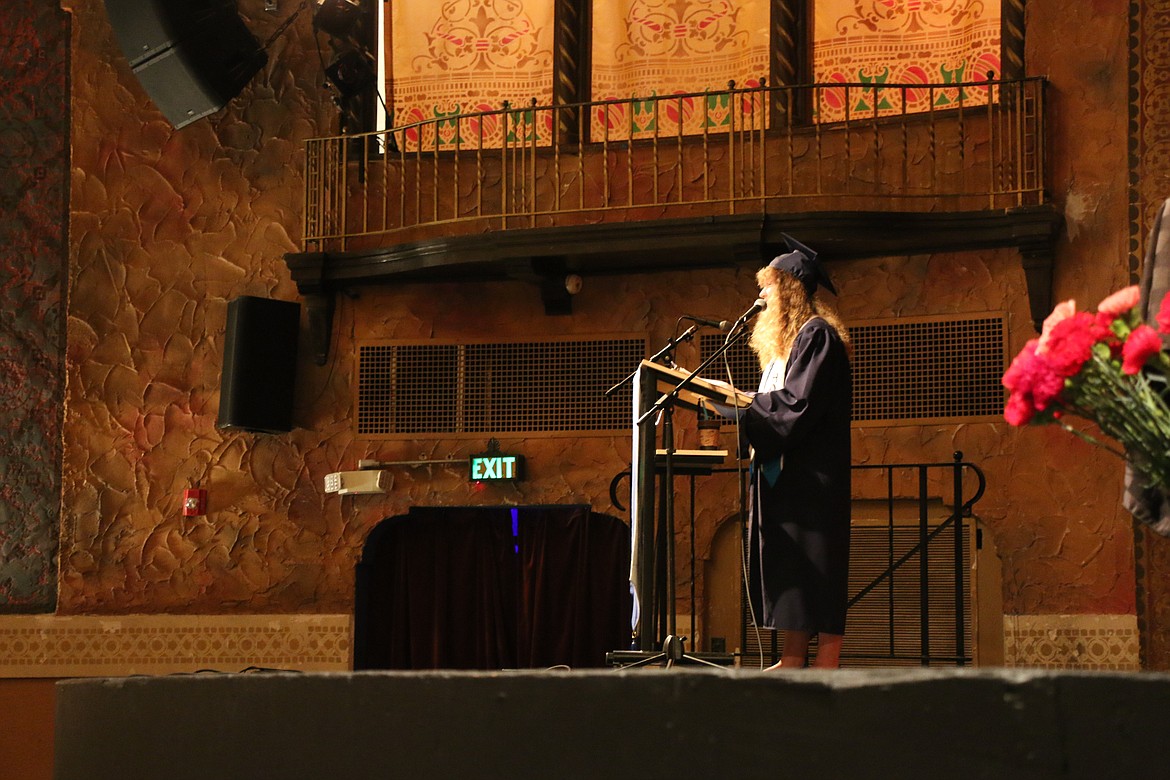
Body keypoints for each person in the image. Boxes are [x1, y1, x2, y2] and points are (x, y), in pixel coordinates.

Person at [738, 236, 853, 669]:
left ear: (787, 289)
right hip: (790, 477)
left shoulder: (817, 336)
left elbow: (798, 405)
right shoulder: (788, 346)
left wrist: (746, 406)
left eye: (767, 287)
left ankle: (826, 666)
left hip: (813, 479)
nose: (761, 296)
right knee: (795, 568)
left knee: (817, 571)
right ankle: (791, 658)